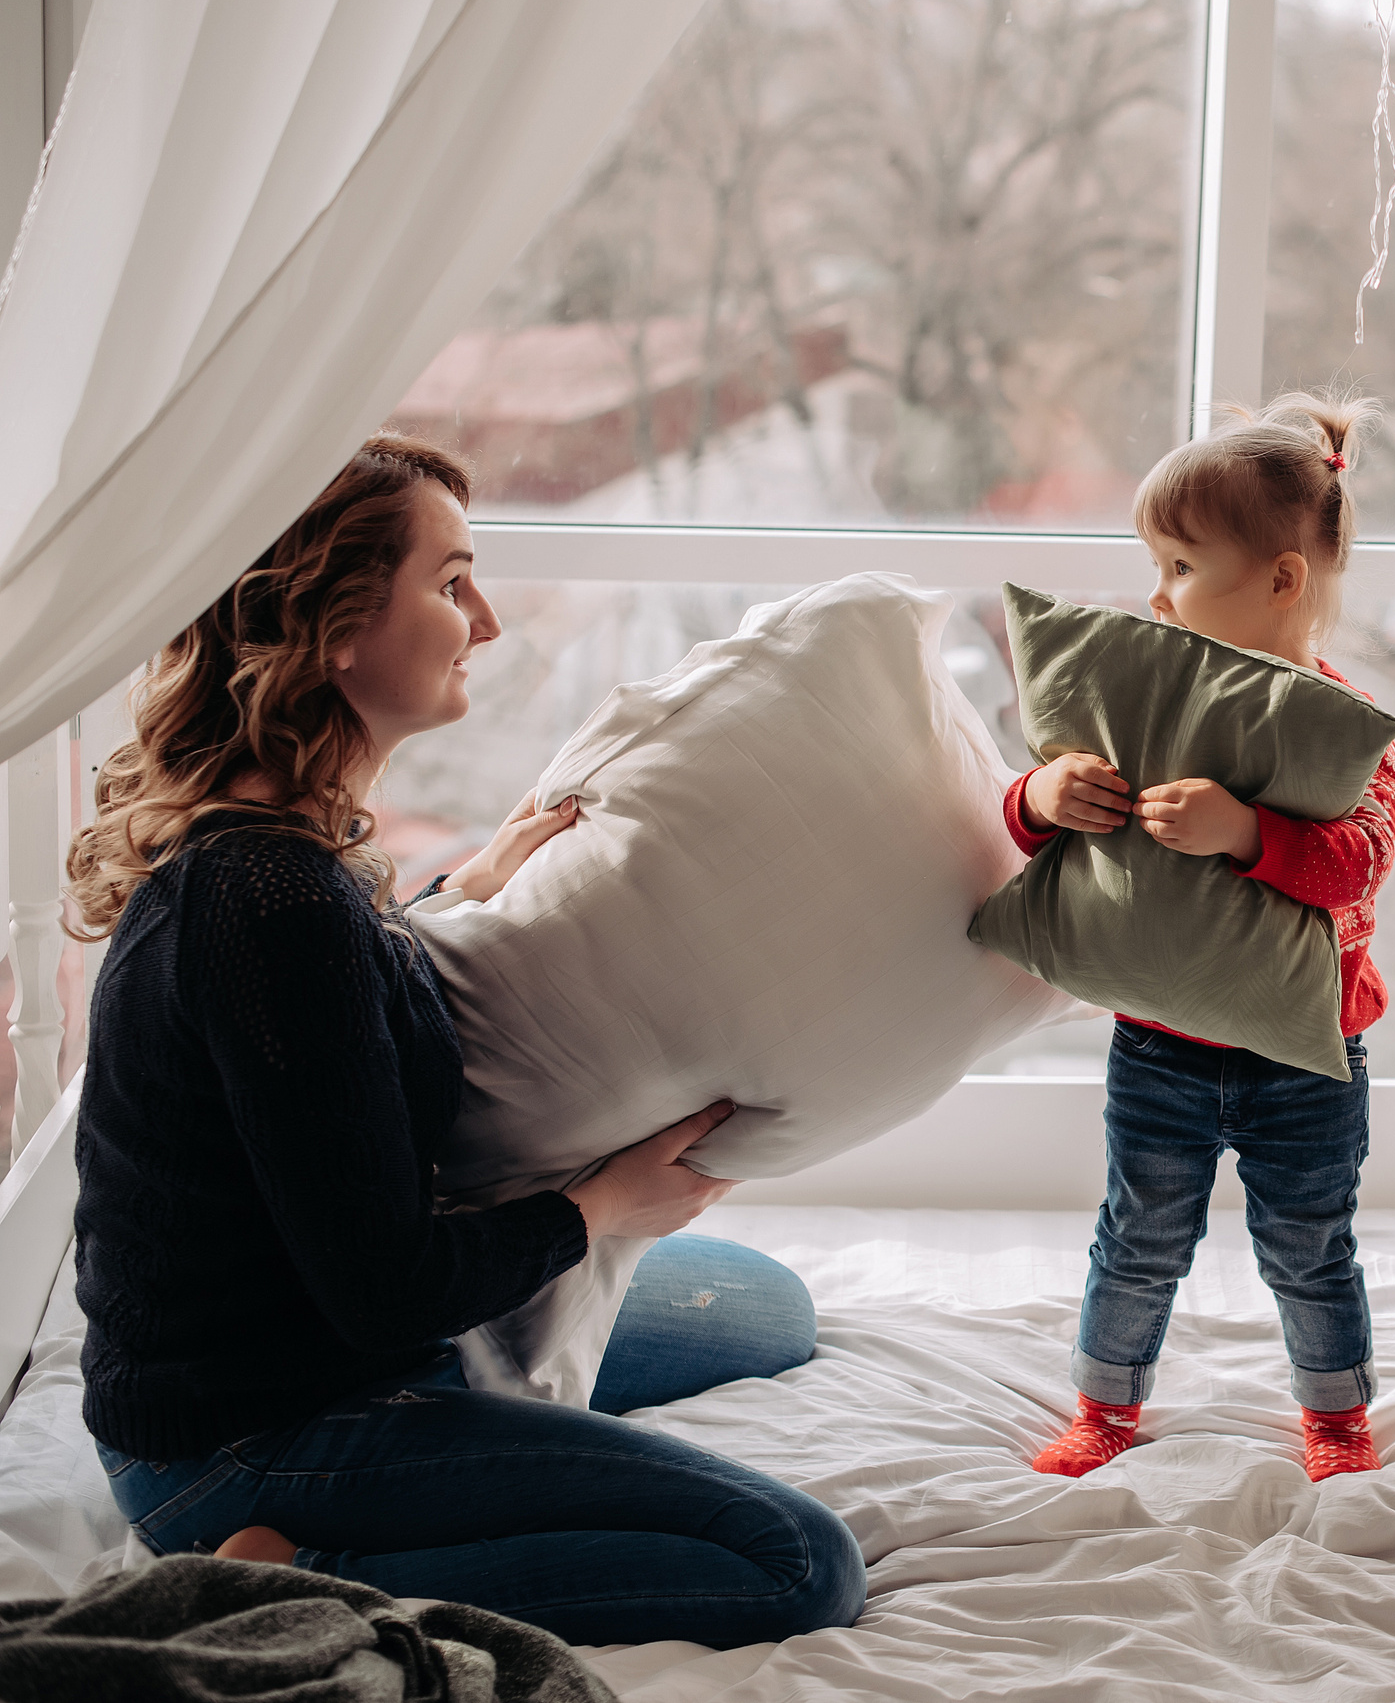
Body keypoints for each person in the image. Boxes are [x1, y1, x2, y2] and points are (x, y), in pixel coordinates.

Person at [64, 435, 863, 1647]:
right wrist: (597, 1207)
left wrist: (461, 890)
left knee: (765, 1312)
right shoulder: (272, 902)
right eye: (450, 583)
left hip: (308, 1344)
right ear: (335, 629)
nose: (483, 620)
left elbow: (325, 1030)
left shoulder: (288, 861)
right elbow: (385, 1287)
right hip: (254, 1434)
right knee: (801, 1563)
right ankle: (294, 1571)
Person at [1005, 394, 1395, 1483]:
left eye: (1182, 564)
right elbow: (1023, 821)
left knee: (1309, 1247)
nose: (1157, 591)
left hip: (1306, 1059)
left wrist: (1246, 830)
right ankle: (1105, 1403)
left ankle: (1335, 1416)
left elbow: (1357, 862)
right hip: (1157, 1044)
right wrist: (1044, 793)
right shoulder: (1139, 700)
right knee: (1136, 1237)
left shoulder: (1342, 724)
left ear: (1280, 578)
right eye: (1155, 562)